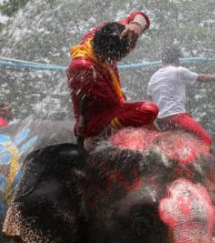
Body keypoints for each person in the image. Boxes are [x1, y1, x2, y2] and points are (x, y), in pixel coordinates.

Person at [67, 11, 159, 149]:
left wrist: (136, 26)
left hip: (112, 105)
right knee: (150, 109)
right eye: (118, 58)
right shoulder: (83, 67)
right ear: (109, 56)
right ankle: (107, 132)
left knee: (145, 115)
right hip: (95, 121)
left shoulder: (103, 34)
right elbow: (114, 105)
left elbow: (140, 15)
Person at [147, 46, 215, 150]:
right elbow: (200, 77)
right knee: (206, 140)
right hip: (177, 118)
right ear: (177, 60)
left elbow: (150, 100)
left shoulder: (153, 77)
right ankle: (206, 164)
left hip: (160, 122)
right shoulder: (178, 71)